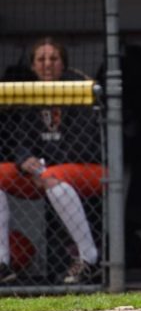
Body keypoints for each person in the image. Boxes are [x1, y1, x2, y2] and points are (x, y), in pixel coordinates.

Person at [0, 38, 103, 285]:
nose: (47, 65)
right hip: (43, 173)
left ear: (63, 64)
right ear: (33, 66)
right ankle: (2, 264)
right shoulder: (32, 94)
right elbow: (22, 141)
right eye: (41, 59)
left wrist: (43, 166)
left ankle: (90, 260)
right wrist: (25, 159)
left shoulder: (79, 89)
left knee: (51, 177)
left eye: (53, 59)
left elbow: (84, 146)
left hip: (89, 169)